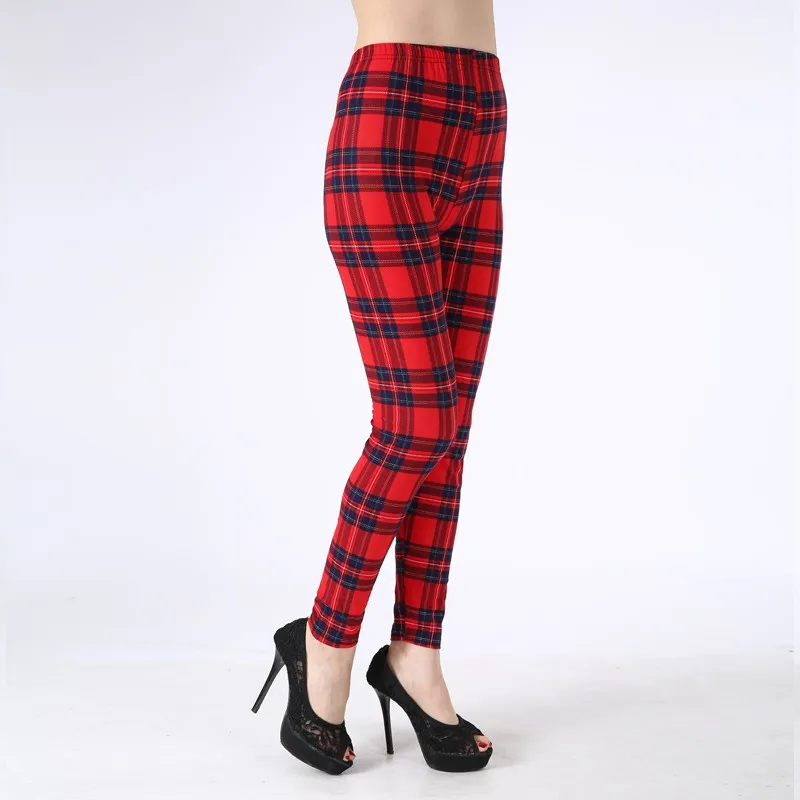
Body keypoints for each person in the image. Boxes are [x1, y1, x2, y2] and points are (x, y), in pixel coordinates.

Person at [251, 0, 507, 774]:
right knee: (417, 423)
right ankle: (324, 641)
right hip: (388, 112)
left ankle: (415, 654)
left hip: (483, 113)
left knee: (449, 430)